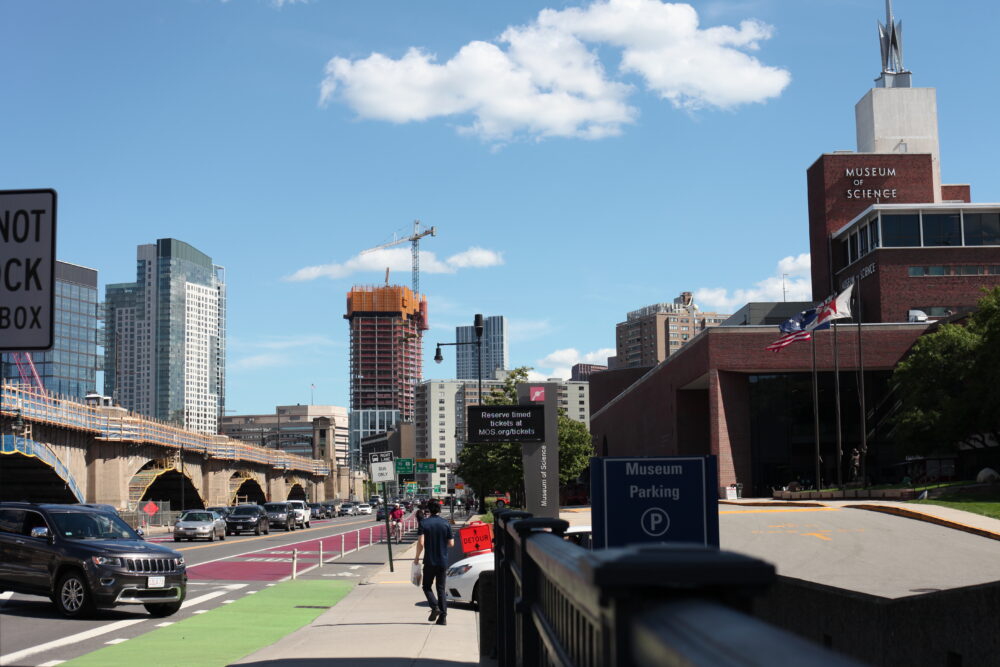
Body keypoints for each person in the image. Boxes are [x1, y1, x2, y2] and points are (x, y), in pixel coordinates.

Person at [413, 499, 454, 625]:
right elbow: (451, 544)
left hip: (430, 561)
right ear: (439, 510)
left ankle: (435, 606)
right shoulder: (446, 524)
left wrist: (417, 557)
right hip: (443, 561)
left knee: (426, 586)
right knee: (441, 589)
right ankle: (443, 617)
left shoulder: (424, 523)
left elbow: (421, 543)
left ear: (429, 510)